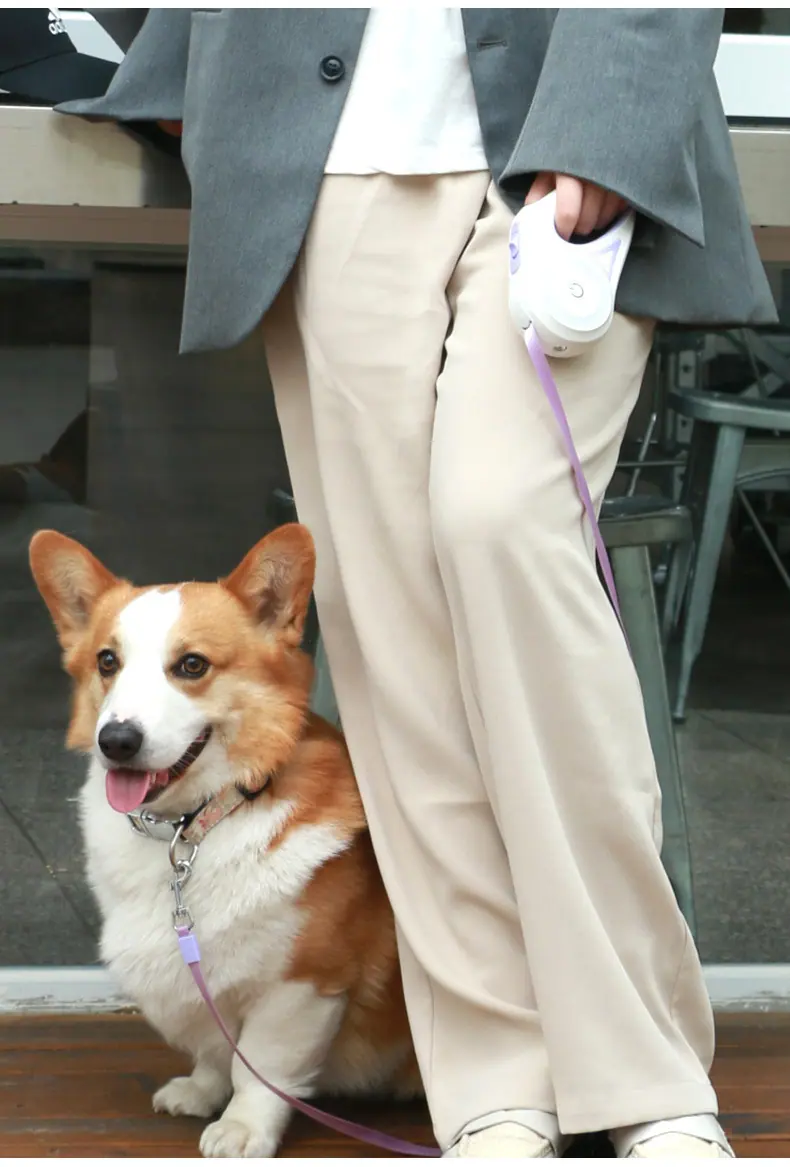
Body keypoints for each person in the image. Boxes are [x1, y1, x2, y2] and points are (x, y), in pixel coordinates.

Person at [62, 9, 776, 1159]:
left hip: (559, 147)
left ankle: (642, 1071)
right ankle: (497, 1080)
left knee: (500, 531)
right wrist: (198, 68)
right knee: (394, 654)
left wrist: (606, 123)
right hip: (323, 157)